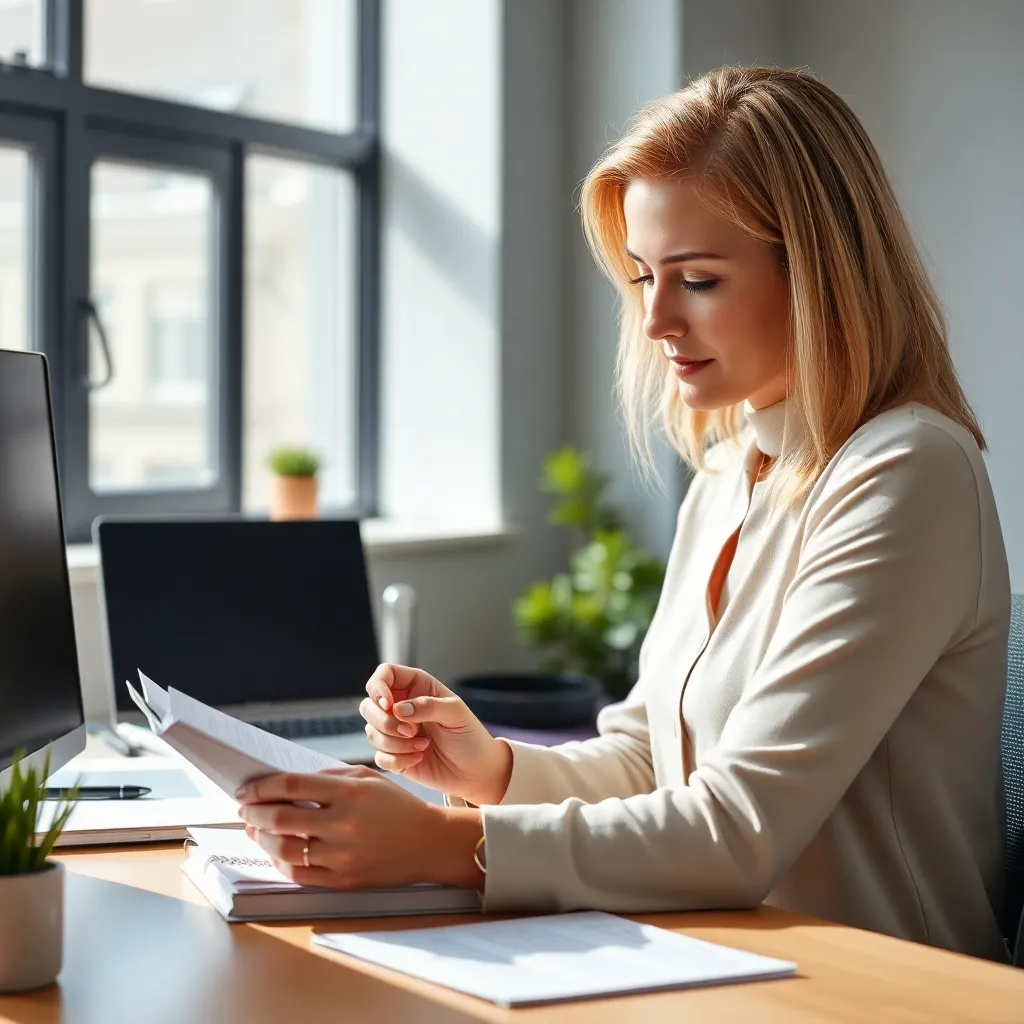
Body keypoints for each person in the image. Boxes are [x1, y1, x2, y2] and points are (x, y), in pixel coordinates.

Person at [235, 66, 1010, 961]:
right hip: (725, 962)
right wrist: (490, 770)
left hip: (882, 989)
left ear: (819, 274)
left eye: (699, 280)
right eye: (644, 277)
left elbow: (737, 827)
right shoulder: (730, 473)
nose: (655, 321)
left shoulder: (907, 470)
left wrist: (451, 846)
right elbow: (653, 763)